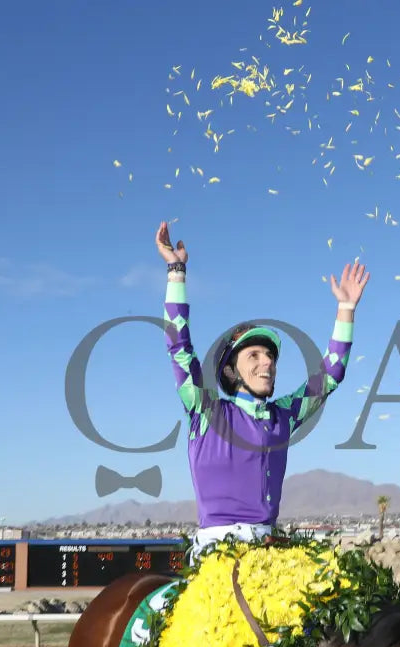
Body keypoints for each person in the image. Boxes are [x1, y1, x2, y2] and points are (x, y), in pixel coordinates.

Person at [156, 221, 369, 559]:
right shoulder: (205, 408)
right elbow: (179, 346)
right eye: (253, 355)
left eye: (270, 355)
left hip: (270, 550)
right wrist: (176, 271)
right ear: (230, 370)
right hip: (215, 555)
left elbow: (330, 375)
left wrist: (346, 310)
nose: (267, 363)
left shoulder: (283, 415)